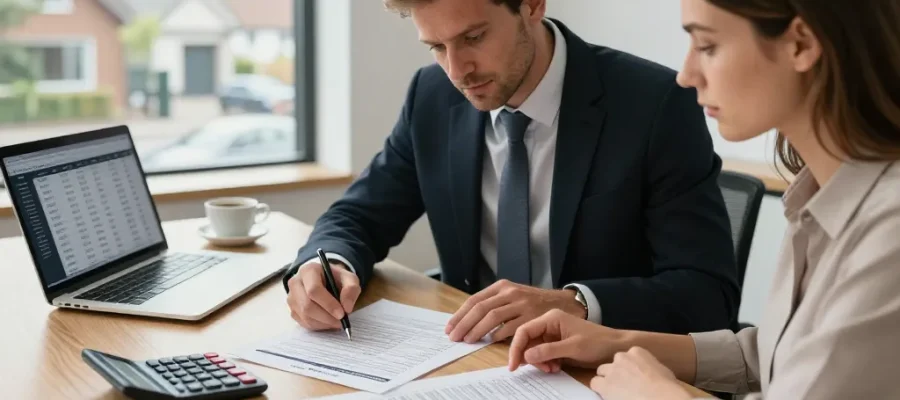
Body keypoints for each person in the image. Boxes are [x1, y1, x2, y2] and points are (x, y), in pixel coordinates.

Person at [507, 0, 900, 399]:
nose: (687, 75)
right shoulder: (819, 193)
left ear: (800, 44)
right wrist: (614, 342)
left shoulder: (889, 233)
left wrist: (659, 394)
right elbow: (776, 355)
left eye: (708, 46)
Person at [282, 0, 740, 341]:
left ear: (532, 6)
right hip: (471, 359)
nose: (457, 70)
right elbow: (358, 215)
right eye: (437, 47)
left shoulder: (653, 104)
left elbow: (707, 296)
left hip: (599, 368)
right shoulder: (432, 95)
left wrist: (574, 302)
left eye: (473, 38)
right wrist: (326, 267)